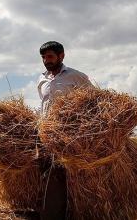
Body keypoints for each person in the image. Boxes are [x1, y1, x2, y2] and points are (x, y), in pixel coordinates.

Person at [36, 41, 92, 219]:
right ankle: (47, 210)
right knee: (44, 172)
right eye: (43, 57)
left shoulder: (76, 77)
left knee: (58, 173)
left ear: (61, 56)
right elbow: (44, 105)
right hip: (44, 133)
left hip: (65, 134)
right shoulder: (42, 79)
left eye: (50, 56)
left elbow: (94, 100)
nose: (46, 60)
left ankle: (55, 214)